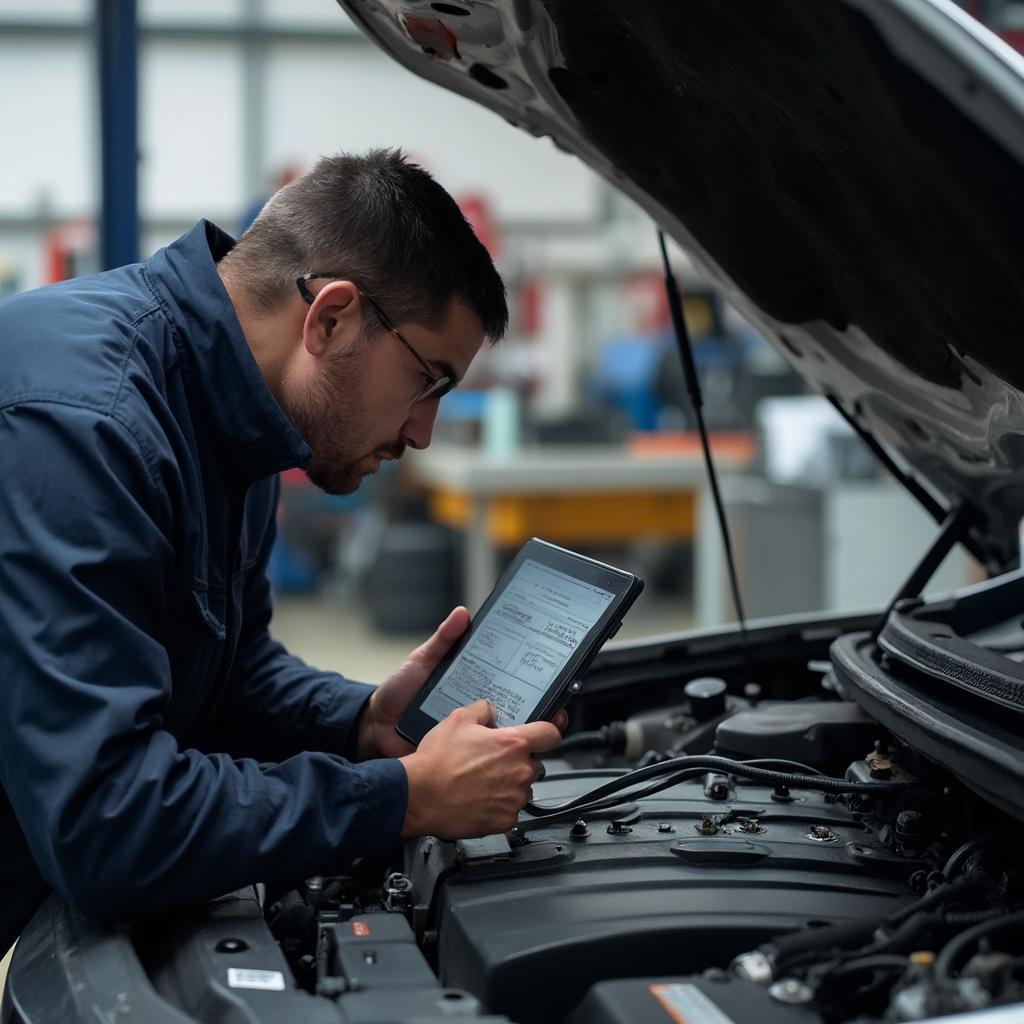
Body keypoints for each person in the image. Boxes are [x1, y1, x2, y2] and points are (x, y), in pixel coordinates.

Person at [0, 149, 563, 954]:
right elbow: (106, 821)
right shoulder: (85, 428)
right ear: (330, 317)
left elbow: (224, 676)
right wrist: (399, 797)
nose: (421, 433)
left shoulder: (234, 413)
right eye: (428, 382)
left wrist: (362, 722)